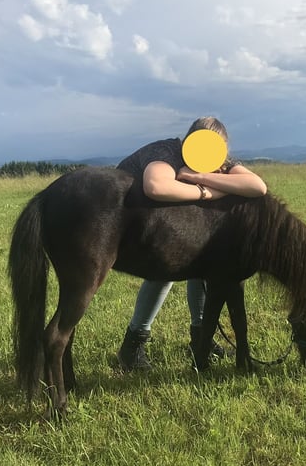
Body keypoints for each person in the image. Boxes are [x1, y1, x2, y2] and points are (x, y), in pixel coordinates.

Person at [115, 117, 268, 371]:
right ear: (189, 142)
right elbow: (156, 186)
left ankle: (200, 339)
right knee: (164, 272)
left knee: (199, 261)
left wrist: (202, 177)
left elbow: (257, 186)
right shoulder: (166, 152)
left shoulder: (219, 163)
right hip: (128, 216)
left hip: (160, 217)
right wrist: (205, 192)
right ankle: (133, 345)